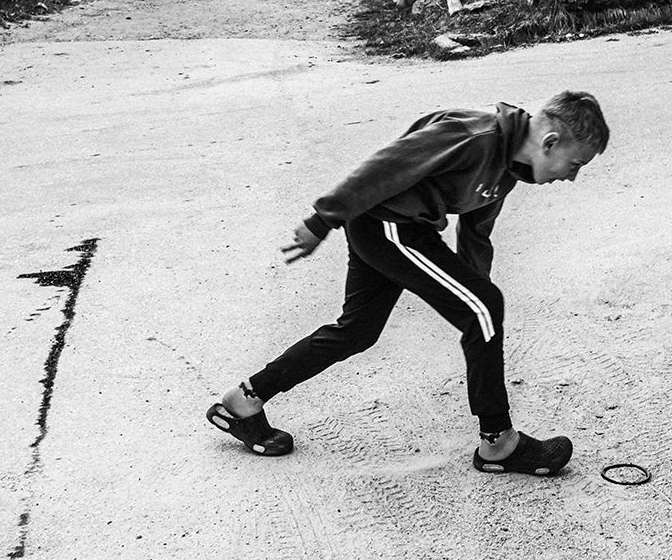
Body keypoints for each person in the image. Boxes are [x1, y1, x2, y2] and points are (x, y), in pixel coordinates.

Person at [207, 91, 609, 477]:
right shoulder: (475, 136)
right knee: (483, 307)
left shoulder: (510, 168)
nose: (572, 177)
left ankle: (243, 401)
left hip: (393, 228)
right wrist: (323, 219)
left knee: (358, 331)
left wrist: (473, 296)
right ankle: (498, 442)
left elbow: (476, 233)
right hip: (388, 225)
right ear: (550, 143)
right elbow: (385, 165)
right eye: (575, 164)